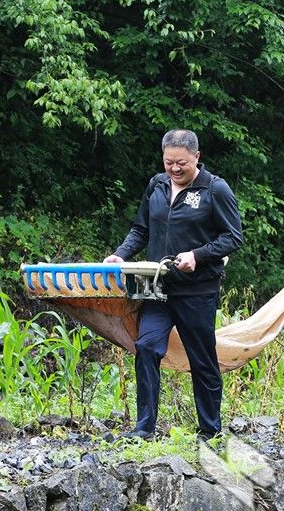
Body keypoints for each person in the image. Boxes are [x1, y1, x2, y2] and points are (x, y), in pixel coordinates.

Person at [104, 130, 244, 443]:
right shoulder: (156, 185)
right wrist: (120, 254)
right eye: (169, 162)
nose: (175, 168)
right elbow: (141, 229)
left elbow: (233, 237)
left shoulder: (214, 189)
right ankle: (144, 429)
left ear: (197, 157)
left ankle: (210, 430)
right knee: (146, 347)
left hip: (197, 291)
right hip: (157, 287)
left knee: (202, 359)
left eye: (181, 162)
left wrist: (197, 255)